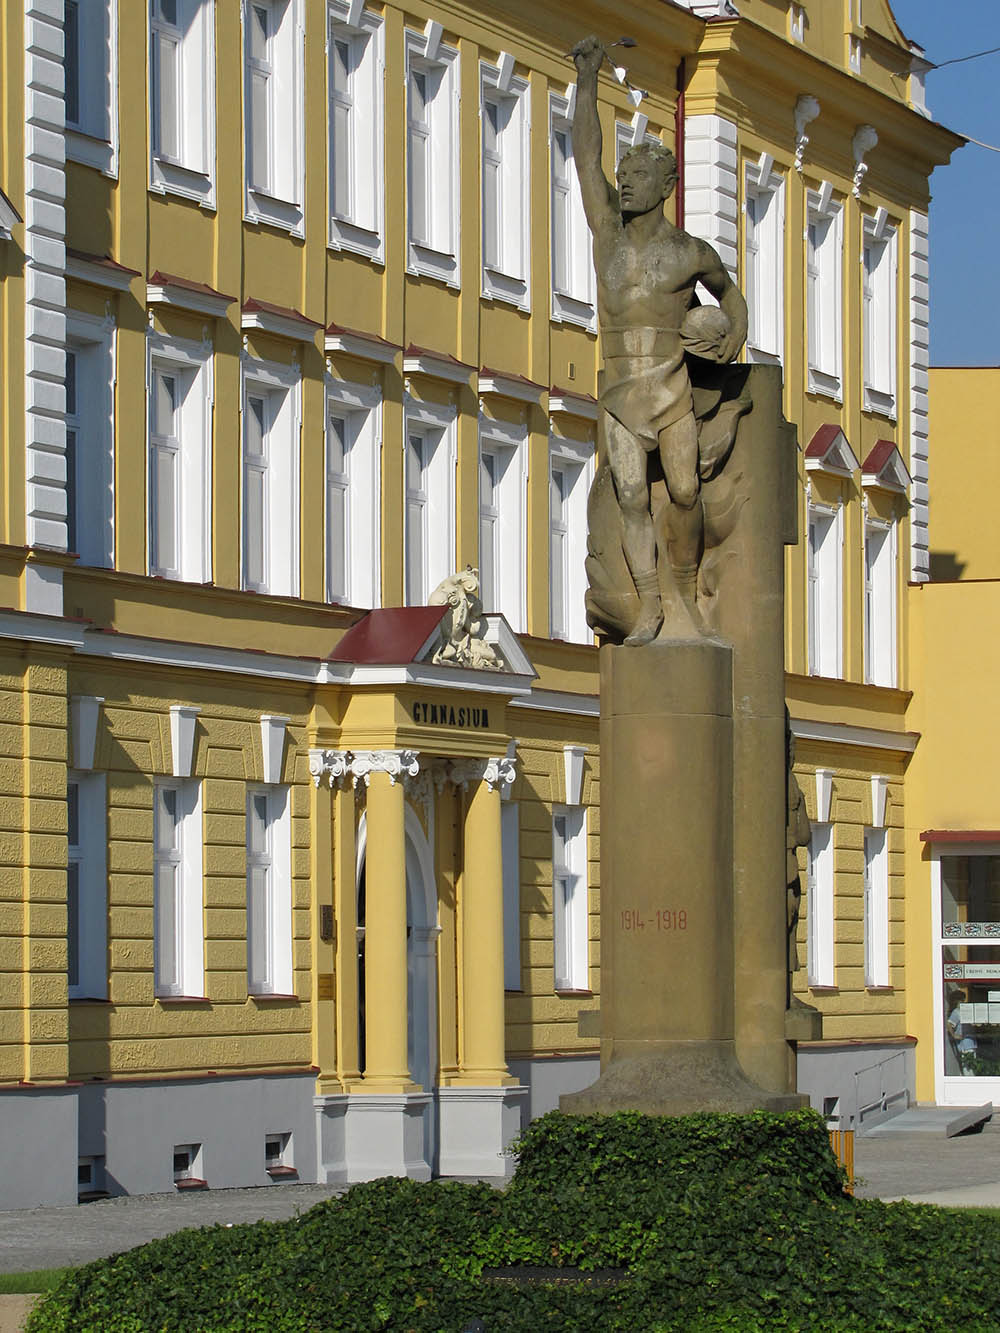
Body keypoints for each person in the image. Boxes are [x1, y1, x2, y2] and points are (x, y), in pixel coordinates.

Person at [570, 35, 748, 643]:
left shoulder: (688, 253)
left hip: (669, 387)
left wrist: (736, 330)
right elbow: (584, 151)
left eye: (640, 176)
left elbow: (729, 294)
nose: (626, 184)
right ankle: (651, 606)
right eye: (624, 175)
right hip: (620, 389)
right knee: (628, 495)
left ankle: (686, 587)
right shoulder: (607, 237)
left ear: (665, 186)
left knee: (684, 489)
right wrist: (588, 77)